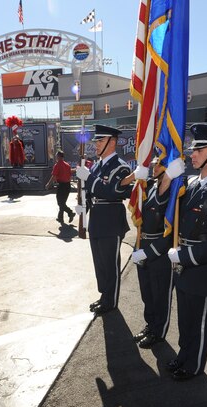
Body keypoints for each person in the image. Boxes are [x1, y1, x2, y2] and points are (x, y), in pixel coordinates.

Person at [166, 124, 207, 381]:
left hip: (202, 267)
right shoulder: (192, 183)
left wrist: (182, 256)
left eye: (199, 149)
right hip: (183, 264)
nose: (192, 154)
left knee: (199, 321)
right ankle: (184, 355)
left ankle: (193, 365)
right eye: (193, 149)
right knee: (185, 319)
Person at [75, 124, 132, 314]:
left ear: (112, 142)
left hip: (111, 221)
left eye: (100, 141)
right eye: (96, 141)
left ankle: (111, 300)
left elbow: (111, 191)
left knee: (110, 264)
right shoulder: (98, 166)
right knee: (99, 263)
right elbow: (92, 192)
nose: (96, 145)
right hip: (96, 220)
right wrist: (84, 205)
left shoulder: (121, 167)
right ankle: (104, 296)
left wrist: (89, 178)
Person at [126, 156, 180, 349]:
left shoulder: (173, 192)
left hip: (159, 251)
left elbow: (170, 230)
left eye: (160, 164)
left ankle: (159, 331)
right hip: (143, 244)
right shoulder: (147, 186)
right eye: (155, 163)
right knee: (147, 293)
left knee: (160, 296)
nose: (155, 167)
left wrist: (150, 252)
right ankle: (150, 325)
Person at [46, 151, 75, 224]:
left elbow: (54, 176)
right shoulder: (67, 165)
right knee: (62, 202)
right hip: (67, 185)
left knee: (60, 203)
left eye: (56, 156)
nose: (56, 157)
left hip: (61, 185)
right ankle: (60, 218)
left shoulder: (57, 165)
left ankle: (70, 212)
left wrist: (48, 184)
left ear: (59, 156)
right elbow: (70, 174)